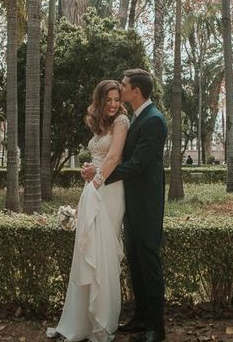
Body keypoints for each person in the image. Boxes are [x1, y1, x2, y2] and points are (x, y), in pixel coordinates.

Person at [83, 68, 168, 342]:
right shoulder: (137, 117)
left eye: (124, 85)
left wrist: (101, 177)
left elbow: (138, 164)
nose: (121, 89)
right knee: (136, 262)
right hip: (129, 201)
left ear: (136, 91)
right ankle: (141, 318)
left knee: (149, 263)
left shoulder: (154, 120)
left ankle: (156, 327)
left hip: (145, 204)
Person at [47, 80, 129, 342]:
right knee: (88, 251)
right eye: (109, 100)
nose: (114, 104)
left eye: (117, 99)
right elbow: (99, 158)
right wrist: (88, 172)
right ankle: (80, 320)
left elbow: (114, 158)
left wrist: (95, 181)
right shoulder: (100, 124)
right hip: (94, 187)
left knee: (103, 252)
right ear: (100, 101)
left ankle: (102, 322)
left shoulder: (121, 122)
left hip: (109, 190)